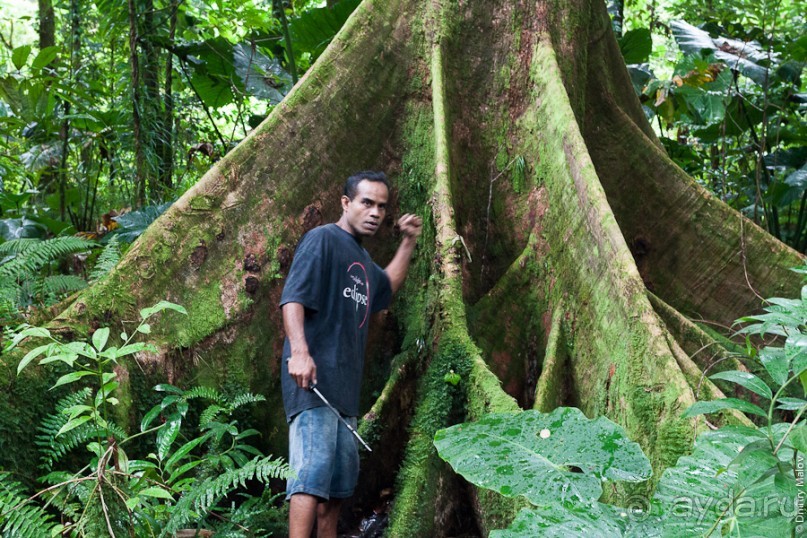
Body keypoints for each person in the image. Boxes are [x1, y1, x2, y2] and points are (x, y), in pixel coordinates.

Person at [279, 170, 422, 538]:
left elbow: (386, 286)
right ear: (346, 203)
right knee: (310, 478)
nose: (375, 213)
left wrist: (408, 241)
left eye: (381, 207)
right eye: (366, 203)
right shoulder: (323, 240)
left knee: (336, 492)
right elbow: (292, 298)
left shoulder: (360, 259)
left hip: (344, 394)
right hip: (313, 383)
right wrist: (300, 353)